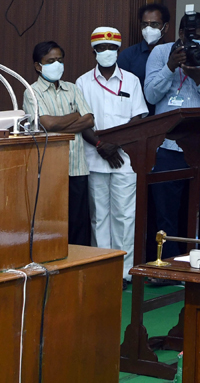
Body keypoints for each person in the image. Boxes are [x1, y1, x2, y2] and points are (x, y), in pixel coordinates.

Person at [145, 10, 200, 257]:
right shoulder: (160, 53)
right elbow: (150, 96)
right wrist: (170, 67)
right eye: (196, 37)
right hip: (168, 146)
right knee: (166, 208)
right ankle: (169, 262)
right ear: (181, 34)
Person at [77, 27, 148, 287]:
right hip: (94, 157)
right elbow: (82, 121)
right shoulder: (83, 82)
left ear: (118, 50)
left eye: (111, 47)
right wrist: (99, 144)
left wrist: (115, 144)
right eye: (101, 47)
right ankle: (103, 267)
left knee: (125, 216)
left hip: (124, 158)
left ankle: (125, 271)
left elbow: (138, 117)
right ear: (93, 51)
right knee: (99, 217)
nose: (106, 52)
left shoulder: (131, 80)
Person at [23, 41, 94, 246]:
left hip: (77, 167)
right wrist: (74, 115)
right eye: (51, 61)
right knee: (53, 224)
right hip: (51, 170)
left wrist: (58, 128)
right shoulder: (32, 92)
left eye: (60, 60)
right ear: (38, 66)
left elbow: (89, 120)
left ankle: (79, 267)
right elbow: (46, 123)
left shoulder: (72, 88)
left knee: (79, 224)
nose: (57, 65)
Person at [117, 3, 171, 114]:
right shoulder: (128, 56)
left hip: (166, 116)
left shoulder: (173, 54)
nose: (148, 29)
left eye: (155, 24)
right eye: (145, 25)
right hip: (137, 118)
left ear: (165, 27)